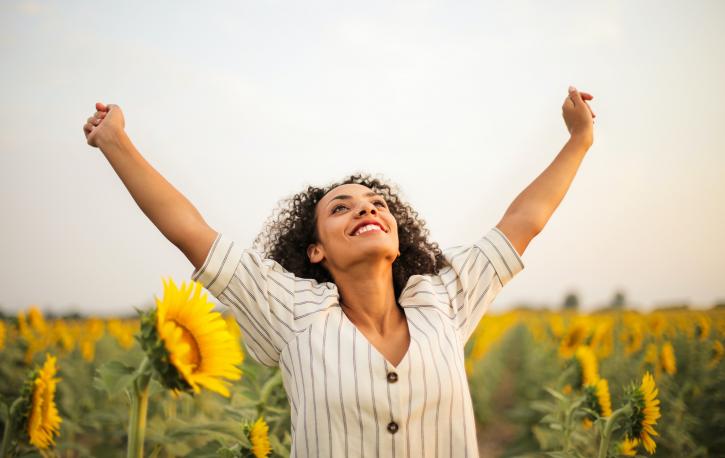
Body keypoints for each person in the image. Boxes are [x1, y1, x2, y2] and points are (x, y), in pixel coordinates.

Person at [82, 86, 595, 457]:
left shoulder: (443, 299)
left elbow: (523, 222)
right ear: (315, 252)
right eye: (341, 209)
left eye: (376, 204)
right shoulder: (292, 314)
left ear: (398, 237)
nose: (367, 211)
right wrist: (115, 142)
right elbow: (190, 232)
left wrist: (579, 140)